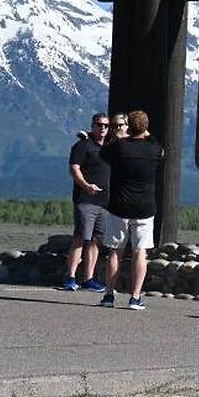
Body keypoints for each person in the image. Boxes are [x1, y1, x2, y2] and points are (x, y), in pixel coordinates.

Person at [98, 110, 165, 310]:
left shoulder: (118, 148)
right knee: (139, 252)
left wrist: (119, 137)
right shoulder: (154, 149)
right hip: (144, 207)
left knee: (115, 251)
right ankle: (135, 297)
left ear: (128, 127)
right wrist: (146, 134)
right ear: (145, 128)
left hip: (119, 205)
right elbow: (162, 152)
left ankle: (109, 295)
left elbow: (103, 153)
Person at [60, 113, 111, 292]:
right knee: (81, 238)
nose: (102, 128)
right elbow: (74, 169)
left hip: (104, 203)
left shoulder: (109, 148)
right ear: (92, 125)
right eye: (99, 125)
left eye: (106, 125)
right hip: (86, 200)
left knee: (96, 241)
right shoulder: (82, 146)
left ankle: (89, 278)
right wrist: (86, 185)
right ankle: (70, 277)